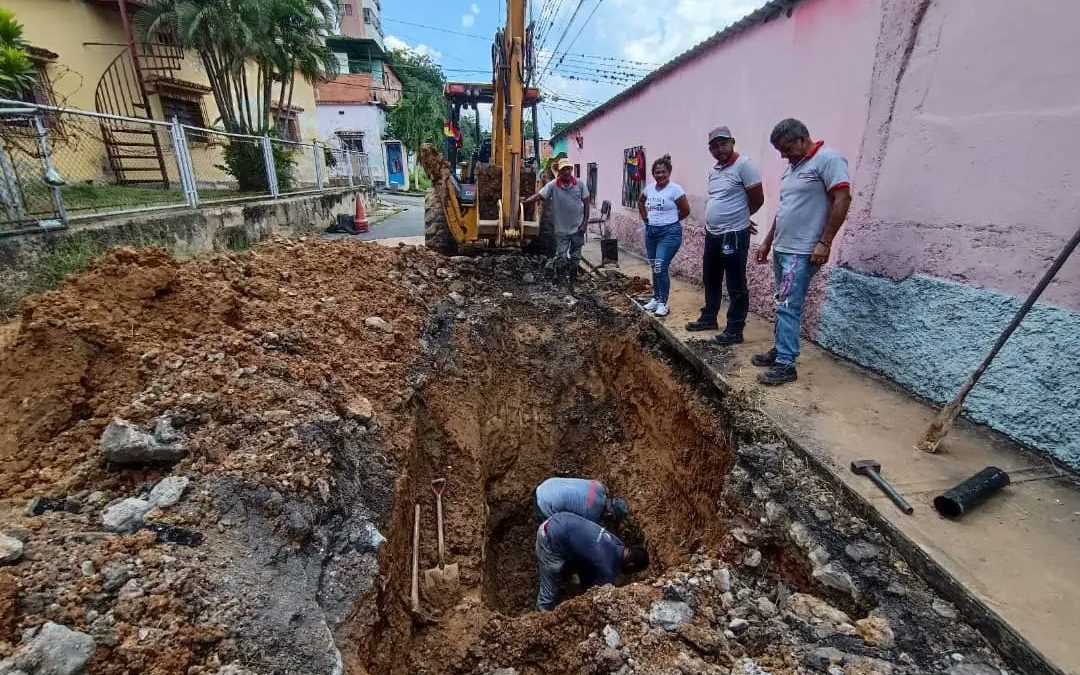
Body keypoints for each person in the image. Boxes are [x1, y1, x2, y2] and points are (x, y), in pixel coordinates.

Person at [754, 118, 852, 385]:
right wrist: (767, 241)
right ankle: (780, 349)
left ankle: (786, 364)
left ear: (801, 139)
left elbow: (843, 198)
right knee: (782, 301)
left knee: (787, 304)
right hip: (783, 248)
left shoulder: (828, 160)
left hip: (802, 251)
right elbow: (784, 209)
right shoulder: (793, 169)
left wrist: (825, 242)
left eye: (786, 148)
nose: (783, 155)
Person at [686, 126, 765, 341]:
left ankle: (734, 329)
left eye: (723, 144)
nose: (719, 149)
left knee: (735, 283)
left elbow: (757, 199)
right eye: (714, 146)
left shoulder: (744, 166)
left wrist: (740, 219)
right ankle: (709, 317)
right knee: (710, 278)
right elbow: (720, 199)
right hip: (713, 233)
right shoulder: (714, 171)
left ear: (733, 142)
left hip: (734, 235)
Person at [535, 512, 649, 611]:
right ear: (631, 564)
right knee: (550, 587)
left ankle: (565, 581)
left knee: (581, 561)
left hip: (561, 519)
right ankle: (541, 615)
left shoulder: (617, 543)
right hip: (549, 537)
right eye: (633, 571)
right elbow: (596, 598)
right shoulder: (607, 569)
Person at [522, 158, 589, 287]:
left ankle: (573, 278)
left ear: (571, 170)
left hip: (578, 227)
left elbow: (586, 204)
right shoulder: (553, 185)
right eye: (564, 169)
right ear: (559, 171)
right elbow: (539, 196)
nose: (567, 172)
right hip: (561, 229)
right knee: (561, 256)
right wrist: (525, 203)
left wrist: (585, 223)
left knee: (575, 257)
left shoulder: (580, 185)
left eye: (568, 169)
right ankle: (561, 279)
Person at [637, 155, 690, 317]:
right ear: (653, 174)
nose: (660, 175)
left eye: (663, 172)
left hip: (669, 234)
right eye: (657, 172)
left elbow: (686, 210)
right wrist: (646, 219)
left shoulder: (676, 189)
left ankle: (663, 303)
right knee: (654, 266)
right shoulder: (649, 188)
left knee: (660, 265)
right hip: (651, 232)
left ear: (669, 172)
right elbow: (640, 202)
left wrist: (671, 222)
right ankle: (656, 297)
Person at [534, 477, 629, 522]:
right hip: (544, 501)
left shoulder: (599, 486)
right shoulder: (593, 515)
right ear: (609, 513)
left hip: (549, 483)